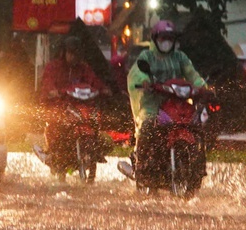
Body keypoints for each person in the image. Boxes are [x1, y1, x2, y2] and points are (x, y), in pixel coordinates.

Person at [120, 20, 207, 180]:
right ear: (155, 39)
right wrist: (145, 81)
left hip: (176, 103)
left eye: (170, 38)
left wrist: (202, 86)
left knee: (196, 126)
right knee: (148, 125)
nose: (166, 42)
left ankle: (198, 166)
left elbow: (192, 74)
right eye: (163, 38)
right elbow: (137, 72)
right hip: (152, 104)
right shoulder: (147, 56)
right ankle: (141, 164)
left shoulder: (180, 57)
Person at [36, 36, 106, 163]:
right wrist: (52, 91)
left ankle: (95, 149)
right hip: (57, 104)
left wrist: (103, 89)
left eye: (76, 54)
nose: (73, 57)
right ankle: (51, 151)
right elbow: (47, 81)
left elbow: (93, 80)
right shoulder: (53, 67)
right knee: (56, 123)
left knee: (93, 120)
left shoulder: (83, 68)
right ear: (64, 52)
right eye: (71, 53)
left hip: (77, 106)